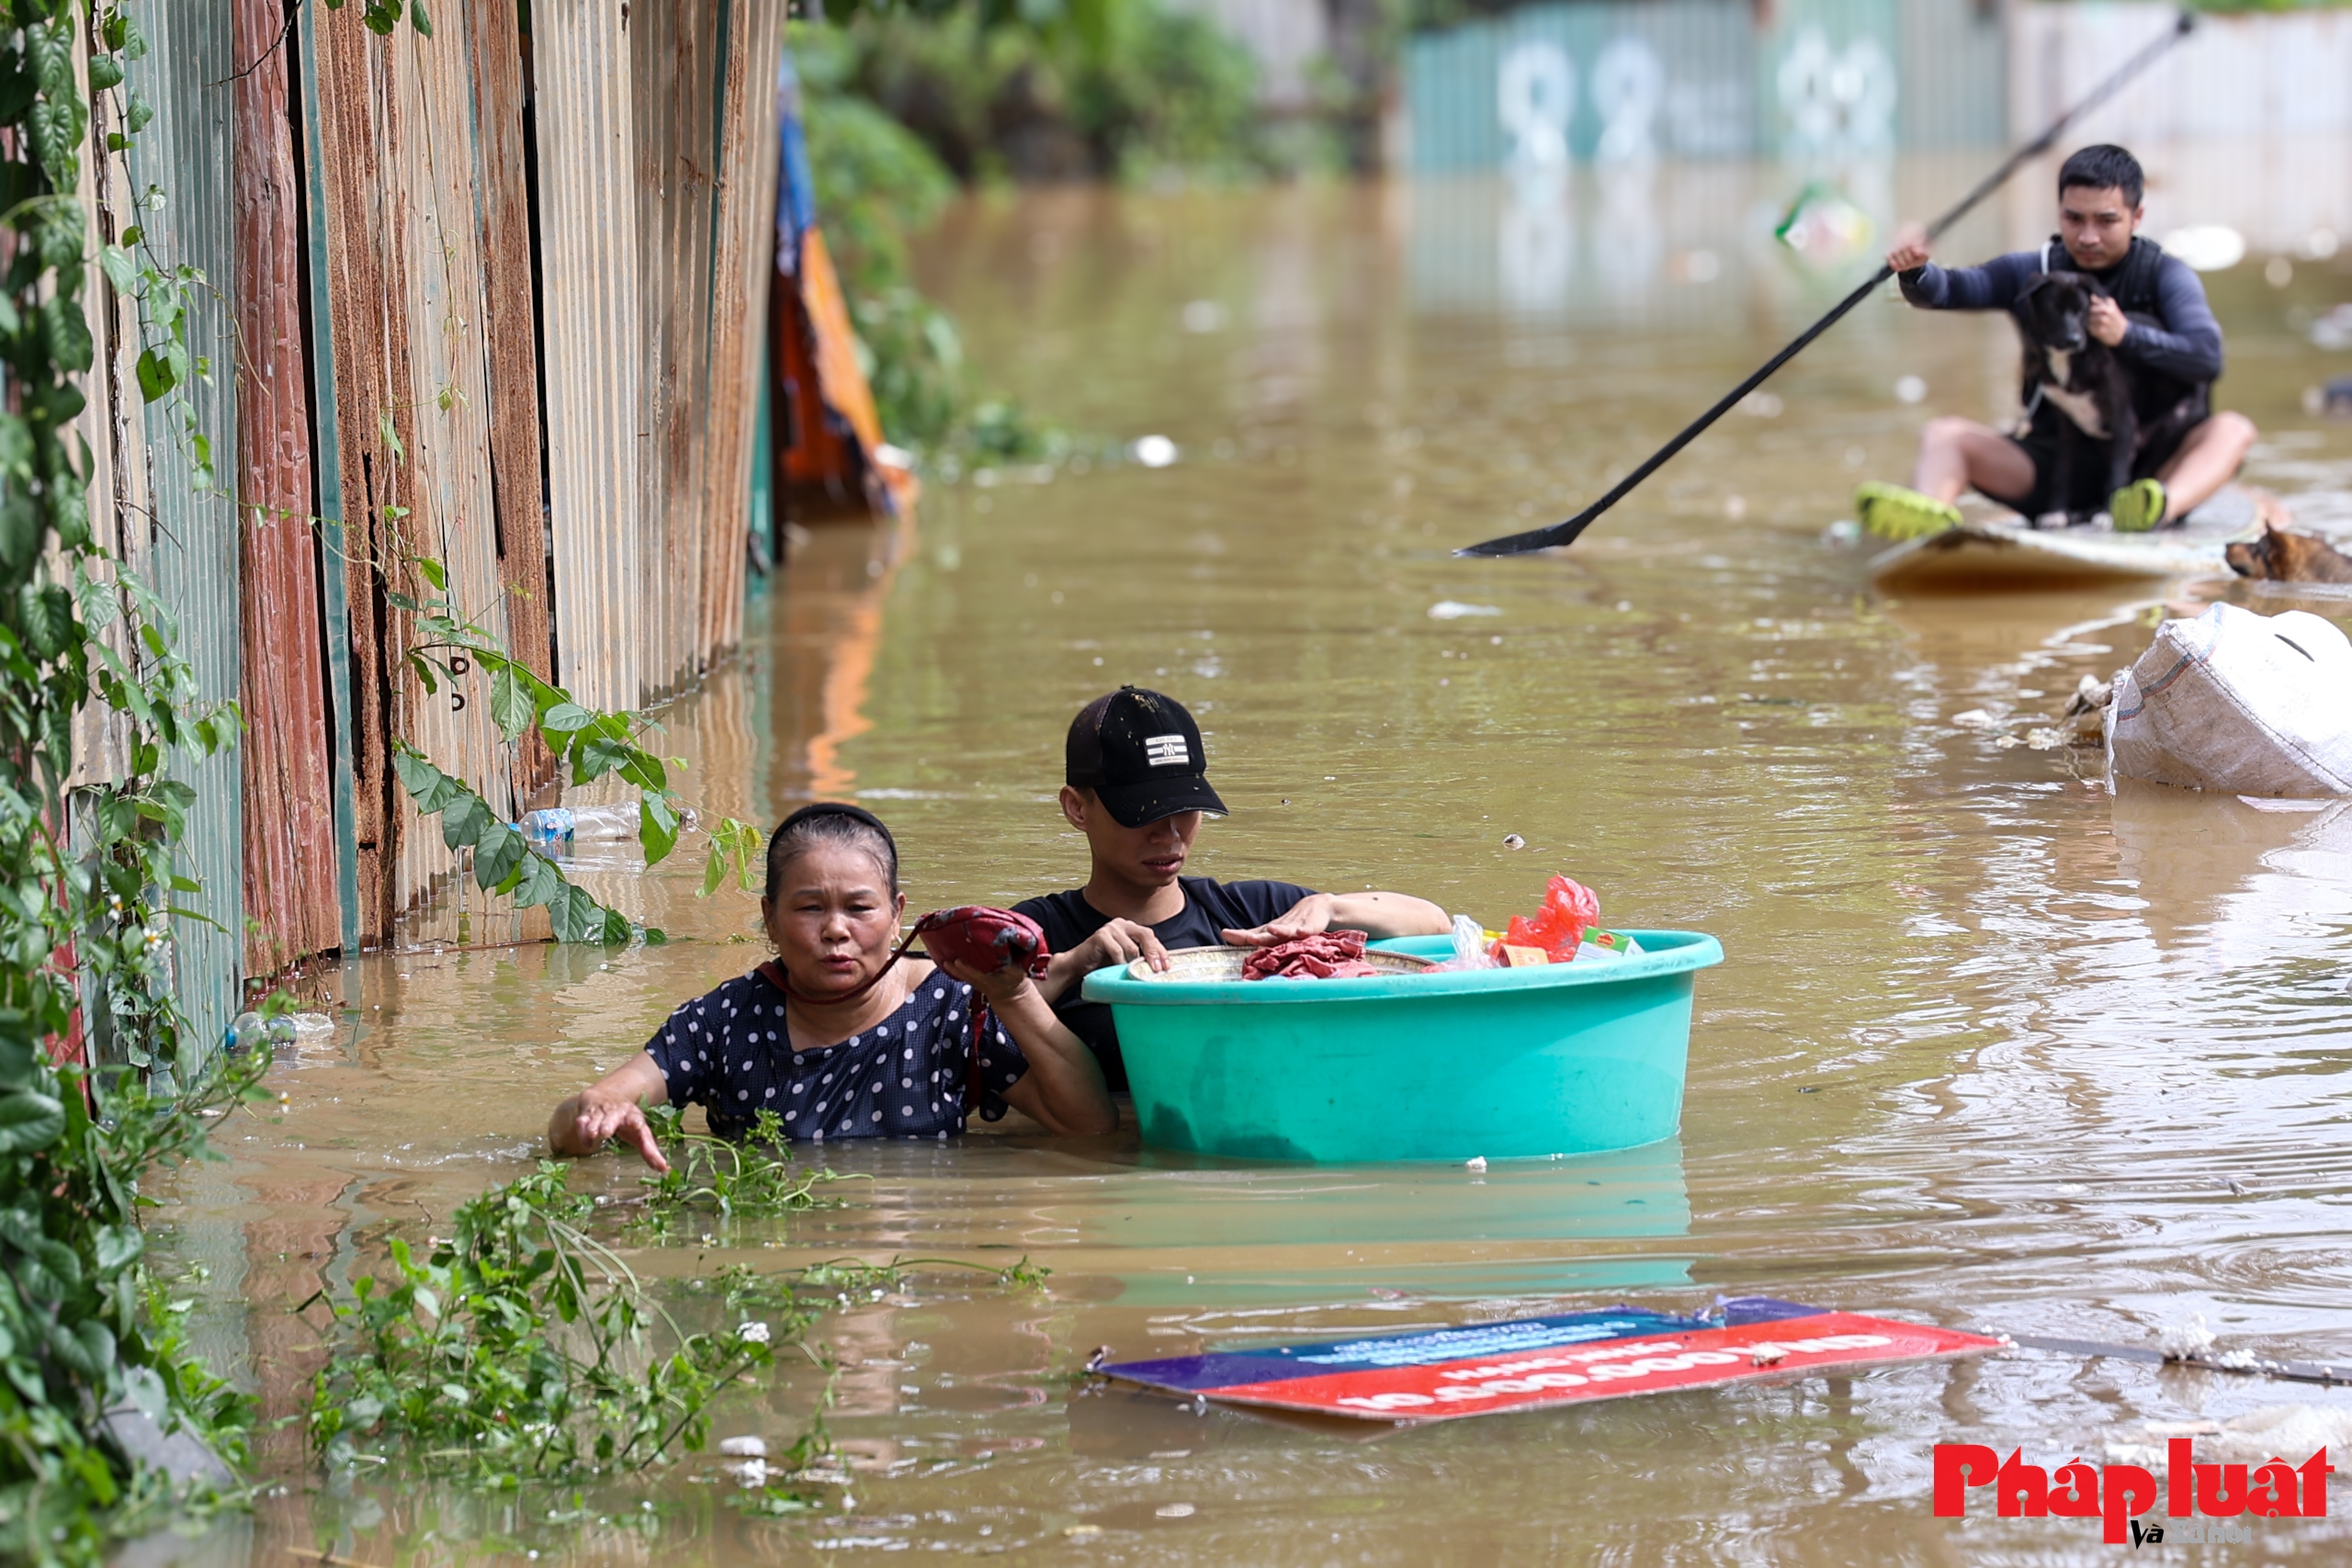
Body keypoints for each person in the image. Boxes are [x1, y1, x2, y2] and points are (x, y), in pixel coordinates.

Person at [548, 804, 1114, 1168]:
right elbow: (578, 1118)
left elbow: (1089, 1126)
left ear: (897, 916)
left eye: (860, 908)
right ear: (770, 920)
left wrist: (1013, 995)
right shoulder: (724, 1020)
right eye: (810, 907)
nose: (836, 930)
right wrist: (592, 1114)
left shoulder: (951, 1006)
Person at [1014, 686, 1451, 1091]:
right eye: (1142, 812)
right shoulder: (1034, 933)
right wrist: (1074, 964)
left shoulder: (1255, 915)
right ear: (1077, 808)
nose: (1169, 835)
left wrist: (1330, 907)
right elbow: (976, 1013)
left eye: (1185, 809)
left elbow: (1435, 924)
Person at [1856, 143, 2257, 537]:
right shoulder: (2033, 273)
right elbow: (1951, 289)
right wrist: (1916, 271)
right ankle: (1927, 527)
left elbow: (2208, 358)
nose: (2087, 236)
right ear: (2059, 212)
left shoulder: (2166, 277)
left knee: (2233, 430)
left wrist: (2126, 335)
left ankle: (2153, 510)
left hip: (2154, 468)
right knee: (1943, 435)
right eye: (2073, 218)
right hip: (2057, 466)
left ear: (2137, 217)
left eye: (2106, 221)